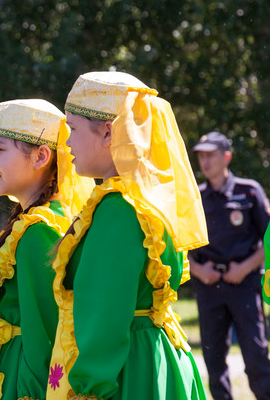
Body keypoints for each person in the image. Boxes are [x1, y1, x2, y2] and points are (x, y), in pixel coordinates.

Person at [47, 71, 209, 400]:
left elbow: (105, 315)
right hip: (154, 357)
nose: (67, 142)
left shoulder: (119, 209)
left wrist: (91, 387)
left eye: (73, 129)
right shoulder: (148, 201)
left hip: (126, 371)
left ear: (108, 132)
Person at [0, 99, 94, 399]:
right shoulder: (41, 221)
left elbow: (44, 335)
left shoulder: (37, 233)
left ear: (41, 155)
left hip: (24, 377)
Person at [189, 131, 270, 399]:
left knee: (256, 357)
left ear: (227, 157)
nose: (205, 161)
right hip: (208, 287)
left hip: (244, 286)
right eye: (201, 155)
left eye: (210, 155)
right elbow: (179, 247)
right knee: (213, 361)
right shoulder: (195, 197)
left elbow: (268, 240)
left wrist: (245, 268)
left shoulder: (249, 191)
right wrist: (200, 271)